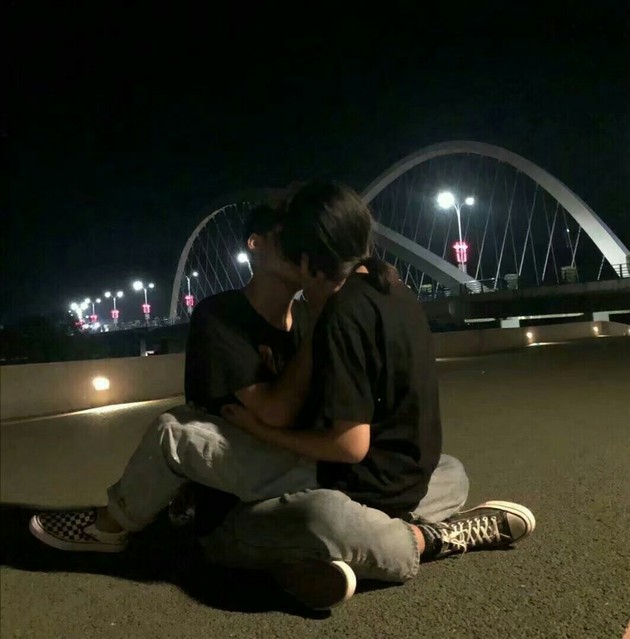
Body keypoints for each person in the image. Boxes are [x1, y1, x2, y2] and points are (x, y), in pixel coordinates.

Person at [29, 185, 535, 610]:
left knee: (445, 469)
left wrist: (325, 316)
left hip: (318, 469)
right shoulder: (221, 317)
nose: (293, 249)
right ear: (258, 246)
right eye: (284, 238)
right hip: (246, 487)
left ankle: (318, 557)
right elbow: (278, 412)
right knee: (296, 499)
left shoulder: (323, 312)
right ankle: (420, 537)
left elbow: (337, 433)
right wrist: (326, 320)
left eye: (299, 241)